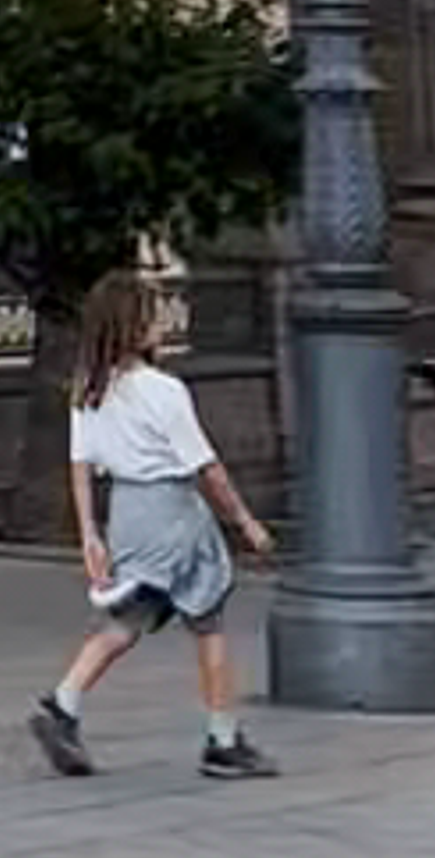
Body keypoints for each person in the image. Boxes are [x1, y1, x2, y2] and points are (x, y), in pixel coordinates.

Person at [31, 266, 277, 783]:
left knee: (126, 619)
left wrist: (90, 533)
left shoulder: (88, 390)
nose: (160, 326)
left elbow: (79, 464)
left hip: (127, 511)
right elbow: (206, 467)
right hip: (172, 510)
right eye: (153, 318)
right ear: (134, 327)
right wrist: (244, 521)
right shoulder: (164, 391)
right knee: (207, 618)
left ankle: (64, 703)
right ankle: (222, 740)